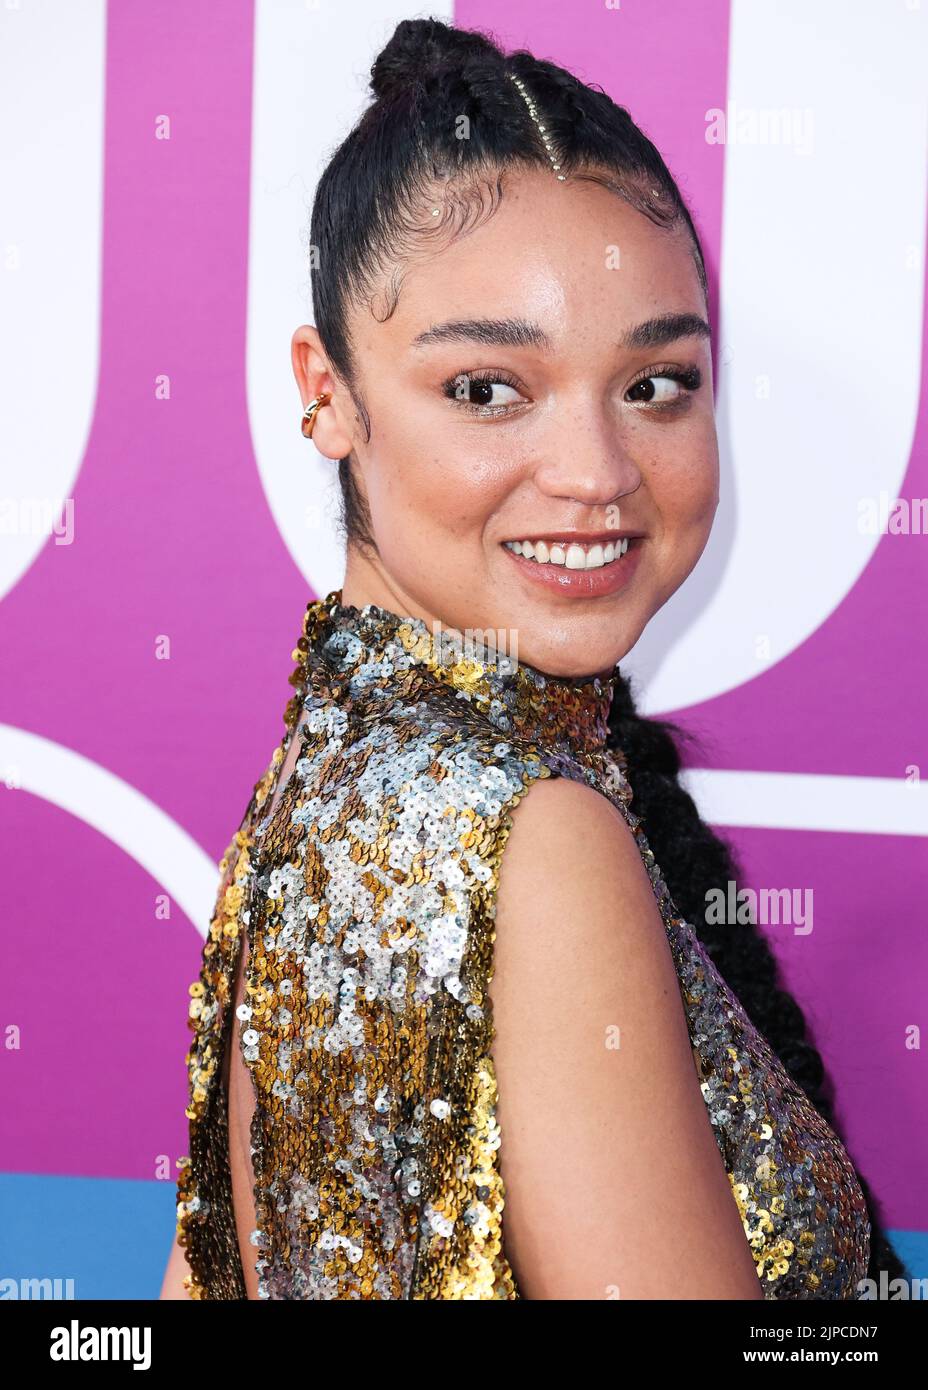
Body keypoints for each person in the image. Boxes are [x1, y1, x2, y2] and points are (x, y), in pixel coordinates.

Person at [161, 17, 906, 1300]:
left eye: (655, 383)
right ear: (327, 391)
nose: (596, 476)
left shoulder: (323, 772)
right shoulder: (539, 834)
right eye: (487, 389)